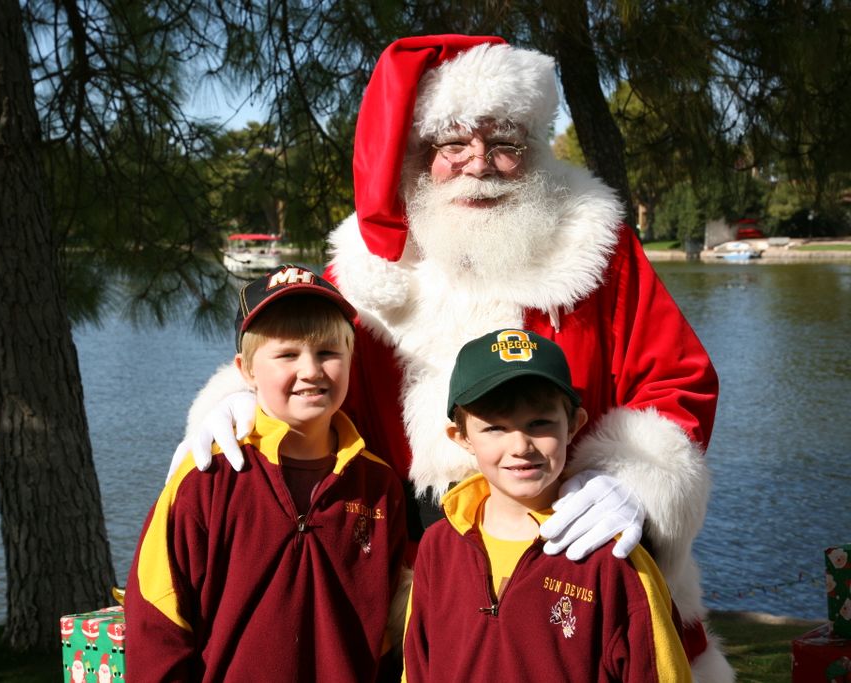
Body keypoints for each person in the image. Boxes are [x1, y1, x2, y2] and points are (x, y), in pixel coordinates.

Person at [175, 35, 731, 680]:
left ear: (536, 150)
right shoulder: (367, 267)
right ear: (420, 155)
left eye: (505, 145)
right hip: (409, 563)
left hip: (561, 545)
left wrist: (633, 479)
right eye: (454, 145)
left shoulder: (596, 247)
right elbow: (304, 361)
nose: (480, 164)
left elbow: (677, 377)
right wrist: (240, 401)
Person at [126, 264, 407, 681]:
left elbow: (390, 631)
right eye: (287, 354)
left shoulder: (379, 486)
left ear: (352, 358)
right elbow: (156, 621)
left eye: (328, 352)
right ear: (246, 370)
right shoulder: (207, 478)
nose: (311, 370)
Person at [402, 328, 691, 682]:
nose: (521, 445)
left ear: (573, 425)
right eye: (495, 428)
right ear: (461, 438)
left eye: (539, 423)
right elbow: (416, 666)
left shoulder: (614, 558)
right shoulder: (439, 546)